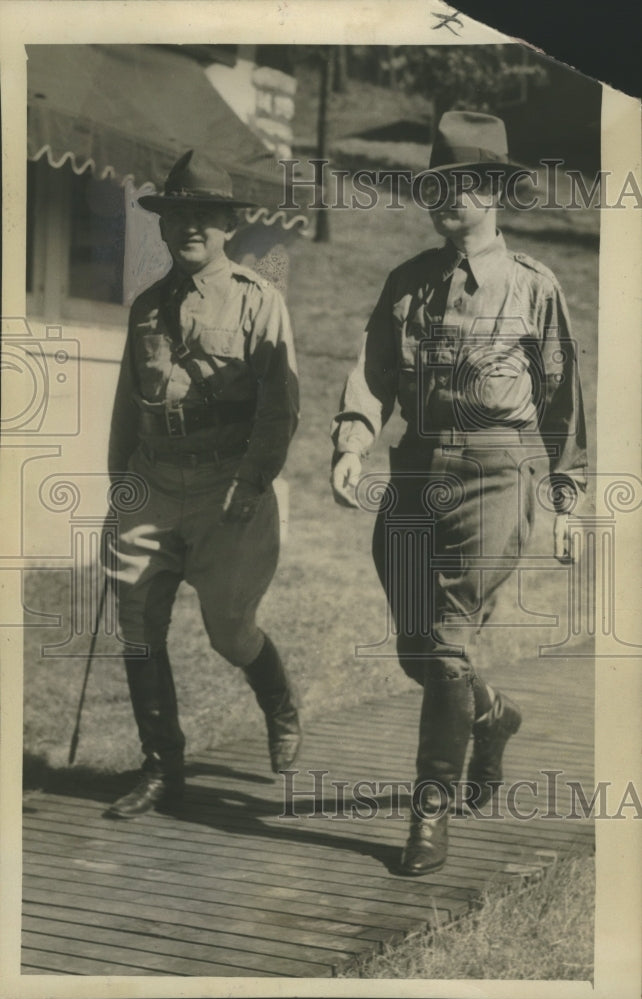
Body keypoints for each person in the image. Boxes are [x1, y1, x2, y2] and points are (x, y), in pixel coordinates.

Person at [331, 112, 587, 874]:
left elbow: (563, 404)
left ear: (494, 191)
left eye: (462, 184)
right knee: (418, 651)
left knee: (447, 645)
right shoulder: (407, 281)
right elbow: (374, 373)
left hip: (496, 474)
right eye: (436, 185)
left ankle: (430, 812)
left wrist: (567, 501)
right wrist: (351, 444)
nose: (444, 198)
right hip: (415, 473)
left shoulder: (534, 287)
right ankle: (493, 714)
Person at [104, 149, 301, 819]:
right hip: (154, 481)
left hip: (227, 489)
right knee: (137, 624)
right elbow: (127, 408)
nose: (191, 227)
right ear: (163, 226)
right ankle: (162, 768)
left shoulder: (258, 300)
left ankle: (278, 700)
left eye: (207, 216)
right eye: (178, 216)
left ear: (229, 225)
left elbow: (280, 408)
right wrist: (119, 489)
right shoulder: (146, 307)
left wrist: (253, 480)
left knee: (230, 632)